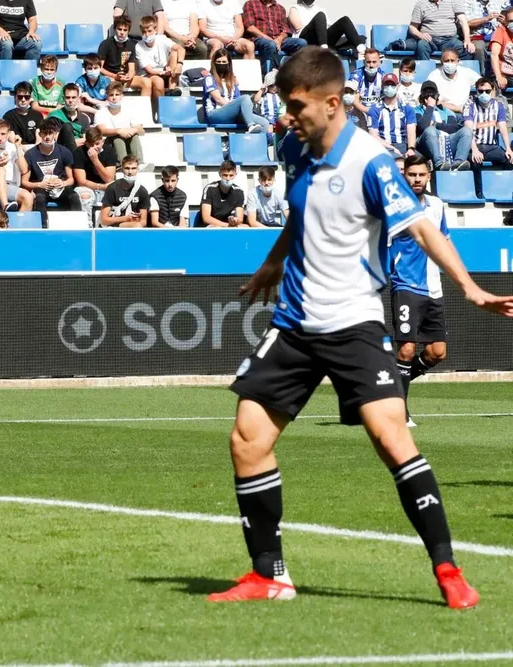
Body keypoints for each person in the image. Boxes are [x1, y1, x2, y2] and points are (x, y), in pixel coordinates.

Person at [210, 45, 511, 608]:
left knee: (392, 440)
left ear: (331, 101)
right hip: (296, 323)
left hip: (354, 324)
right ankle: (269, 575)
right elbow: (302, 215)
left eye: (295, 105)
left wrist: (470, 289)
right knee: (248, 440)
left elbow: (421, 228)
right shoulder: (296, 150)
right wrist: (274, 261)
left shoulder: (371, 161)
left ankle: (447, 570)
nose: (287, 114)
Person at [391, 154, 449, 428]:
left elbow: (444, 241)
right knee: (406, 350)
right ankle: (399, 410)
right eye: (411, 174)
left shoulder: (437, 205)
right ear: (404, 176)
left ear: (429, 176)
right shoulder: (394, 207)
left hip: (433, 287)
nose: (416, 179)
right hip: (405, 285)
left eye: (420, 174)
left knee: (437, 352)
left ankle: (390, 388)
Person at [22, 117, 81, 225]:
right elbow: (24, 182)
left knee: (74, 196)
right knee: (39, 198)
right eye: (44, 134)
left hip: (59, 187)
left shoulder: (64, 152)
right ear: (40, 135)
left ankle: (76, 227)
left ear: (55, 134)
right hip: (40, 187)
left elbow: (71, 179)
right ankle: (43, 227)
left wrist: (62, 183)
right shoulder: (30, 154)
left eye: (50, 133)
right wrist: (40, 185)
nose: (47, 137)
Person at [203, 49, 271, 133]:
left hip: (232, 114)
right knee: (245, 98)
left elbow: (237, 98)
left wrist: (237, 108)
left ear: (229, 63)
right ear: (214, 63)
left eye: (224, 62)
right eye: (218, 62)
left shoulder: (232, 79)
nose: (221, 64)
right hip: (215, 114)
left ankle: (255, 144)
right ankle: (250, 125)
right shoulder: (209, 78)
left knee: (264, 122)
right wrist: (235, 107)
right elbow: (218, 99)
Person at [465, 77, 513, 194]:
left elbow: (502, 128)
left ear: (492, 91)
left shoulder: (499, 106)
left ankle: (503, 191)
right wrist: (475, 150)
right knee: (475, 161)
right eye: (481, 91)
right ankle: (478, 192)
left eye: (487, 91)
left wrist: (508, 148)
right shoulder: (469, 105)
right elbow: (468, 130)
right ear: (476, 91)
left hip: (492, 147)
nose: (484, 94)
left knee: (509, 159)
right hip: (475, 145)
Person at [414, 80, 471, 172]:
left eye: (432, 93)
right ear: (421, 95)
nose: (429, 95)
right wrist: (430, 107)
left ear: (437, 96)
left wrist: (436, 124)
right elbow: (422, 127)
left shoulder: (447, 111)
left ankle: (458, 163)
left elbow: (454, 128)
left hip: (447, 141)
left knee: (466, 131)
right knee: (430, 130)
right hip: (426, 145)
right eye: (426, 92)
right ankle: (439, 163)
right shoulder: (416, 110)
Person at [408, 0, 481, 70]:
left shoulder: (453, 1)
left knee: (466, 49)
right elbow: (412, 27)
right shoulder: (421, 3)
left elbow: (463, 22)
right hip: (430, 40)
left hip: (450, 40)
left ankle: (459, 75)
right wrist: (420, 35)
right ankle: (425, 75)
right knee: (421, 46)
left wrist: (467, 40)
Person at [135, 15, 184, 115]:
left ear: (155, 30)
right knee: (158, 82)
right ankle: (161, 112)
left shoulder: (161, 39)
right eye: (144, 32)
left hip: (166, 71)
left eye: (149, 31)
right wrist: (161, 72)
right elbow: (149, 70)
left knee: (174, 52)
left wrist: (179, 64)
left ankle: (171, 89)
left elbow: (180, 49)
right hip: (150, 74)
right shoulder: (139, 46)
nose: (147, 35)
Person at [242, 0, 306, 74]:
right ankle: (268, 76)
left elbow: (285, 30)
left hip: (278, 40)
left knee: (302, 43)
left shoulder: (280, 8)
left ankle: (296, 73)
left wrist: (279, 39)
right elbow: (250, 27)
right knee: (270, 44)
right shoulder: (250, 4)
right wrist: (267, 38)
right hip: (258, 38)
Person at [73, 127, 119, 223]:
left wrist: (95, 160)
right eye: (91, 144)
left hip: (106, 186)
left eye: (97, 144)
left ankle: (110, 223)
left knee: (117, 192)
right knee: (85, 196)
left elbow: (109, 178)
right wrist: (100, 187)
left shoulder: (109, 151)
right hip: (88, 187)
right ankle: (87, 224)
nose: (94, 147)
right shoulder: (79, 152)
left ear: (102, 141)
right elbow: (81, 181)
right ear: (86, 143)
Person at [98, 16, 153, 97]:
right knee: (112, 83)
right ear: (114, 29)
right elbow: (99, 68)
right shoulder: (105, 44)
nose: (122, 32)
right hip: (110, 77)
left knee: (147, 82)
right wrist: (114, 76)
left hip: (124, 77)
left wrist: (129, 76)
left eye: (125, 30)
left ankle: (142, 108)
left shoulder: (132, 45)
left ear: (128, 30)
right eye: (119, 29)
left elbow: (132, 68)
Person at [287, 0, 366, 56]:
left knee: (344, 20)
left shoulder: (320, 9)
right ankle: (324, 49)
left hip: (322, 37)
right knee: (320, 15)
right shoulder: (295, 8)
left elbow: (327, 27)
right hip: (306, 39)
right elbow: (298, 27)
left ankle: (362, 50)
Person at [367, 73, 418, 159]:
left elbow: (411, 131)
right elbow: (373, 136)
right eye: (387, 84)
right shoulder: (375, 109)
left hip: (402, 145)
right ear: (382, 86)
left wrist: (411, 149)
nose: (390, 87)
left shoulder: (407, 109)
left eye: (392, 84)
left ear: (397, 86)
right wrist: (391, 148)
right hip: (383, 146)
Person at [95, 82, 146, 164]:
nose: (114, 98)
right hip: (108, 144)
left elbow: (141, 130)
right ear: (107, 97)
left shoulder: (130, 110)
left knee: (135, 136)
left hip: (127, 141)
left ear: (122, 96)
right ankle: (122, 164)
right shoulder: (100, 113)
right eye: (111, 95)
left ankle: (139, 163)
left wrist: (131, 130)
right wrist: (119, 131)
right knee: (117, 138)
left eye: (117, 95)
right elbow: (101, 130)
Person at [100, 155, 150, 227]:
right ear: (122, 169)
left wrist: (134, 221)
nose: (130, 172)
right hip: (114, 226)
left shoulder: (142, 191)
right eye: (127, 168)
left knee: (138, 226)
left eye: (133, 168)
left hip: (134, 226)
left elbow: (143, 221)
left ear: (137, 169)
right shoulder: (112, 188)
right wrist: (125, 218)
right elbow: (104, 220)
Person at [426, 48, 480, 114]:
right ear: (441, 62)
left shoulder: (467, 72)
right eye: (447, 61)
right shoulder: (434, 76)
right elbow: (430, 100)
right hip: (443, 112)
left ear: (458, 61)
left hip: (465, 113)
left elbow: (487, 84)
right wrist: (458, 109)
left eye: (452, 60)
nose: (450, 63)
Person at [200, 160, 245, 227]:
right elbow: (206, 218)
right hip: (212, 224)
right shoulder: (209, 189)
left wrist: (235, 221)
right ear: (220, 174)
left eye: (231, 175)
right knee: (217, 228)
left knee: (244, 227)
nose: (228, 178)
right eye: (225, 175)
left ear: (235, 175)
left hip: (229, 223)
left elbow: (240, 219)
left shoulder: (239, 191)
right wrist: (227, 225)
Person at [48, 84, 91, 151]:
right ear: (63, 98)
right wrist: (78, 141)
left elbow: (87, 141)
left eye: (73, 97)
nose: (70, 100)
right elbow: (58, 140)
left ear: (78, 99)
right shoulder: (55, 116)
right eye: (68, 97)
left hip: (80, 152)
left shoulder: (84, 118)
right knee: (67, 126)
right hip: (62, 151)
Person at [348, 48, 390, 115]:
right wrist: (369, 111)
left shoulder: (383, 77)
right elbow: (355, 101)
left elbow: (389, 98)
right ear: (364, 62)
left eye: (374, 62)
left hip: (378, 112)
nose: (371, 65)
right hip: (359, 111)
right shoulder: (356, 76)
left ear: (379, 62)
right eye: (368, 62)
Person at [489, 6, 513, 91]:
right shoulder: (500, 31)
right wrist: (499, 76)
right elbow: (494, 54)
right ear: (505, 21)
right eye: (510, 21)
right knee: (495, 85)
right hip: (504, 73)